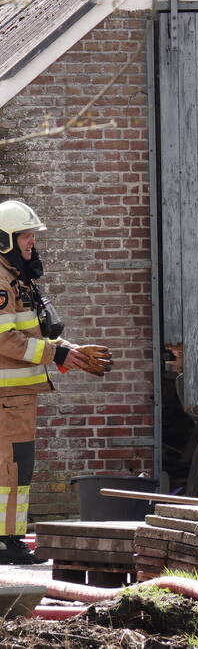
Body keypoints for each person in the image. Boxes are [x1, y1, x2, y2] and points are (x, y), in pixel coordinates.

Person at [0, 201, 112, 564]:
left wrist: (67, 350)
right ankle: (7, 543)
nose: (32, 242)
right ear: (5, 239)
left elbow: (33, 333)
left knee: (18, 466)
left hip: (16, 397)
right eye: (26, 236)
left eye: (32, 236)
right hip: (7, 397)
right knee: (12, 468)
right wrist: (55, 354)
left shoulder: (16, 278)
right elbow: (3, 339)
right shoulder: (1, 281)